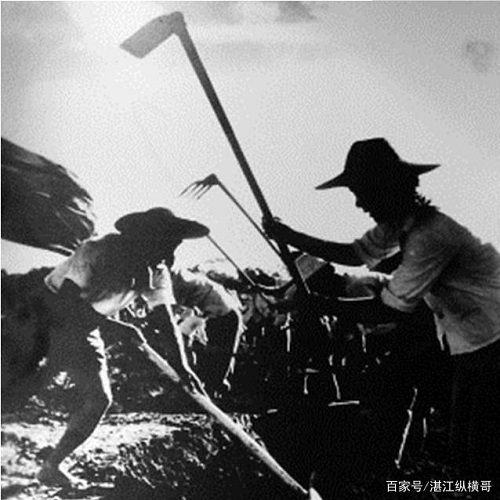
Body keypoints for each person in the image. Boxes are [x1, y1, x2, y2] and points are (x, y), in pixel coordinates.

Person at [265, 138, 500, 484]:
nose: (359, 203)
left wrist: (320, 304)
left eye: (363, 193)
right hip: (470, 344)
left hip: (493, 343)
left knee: (481, 454)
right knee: (465, 452)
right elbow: (354, 254)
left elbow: (388, 310)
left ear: (387, 189)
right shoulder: (400, 226)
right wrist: (289, 236)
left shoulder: (430, 235)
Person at [31, 207, 209, 487]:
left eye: (175, 245)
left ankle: (51, 466)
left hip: (86, 326)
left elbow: (164, 320)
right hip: (44, 312)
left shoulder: (157, 269)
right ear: (146, 238)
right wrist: (118, 328)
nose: (170, 253)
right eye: (166, 243)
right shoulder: (97, 250)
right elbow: (65, 304)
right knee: (23, 381)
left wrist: (182, 367)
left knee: (99, 399)